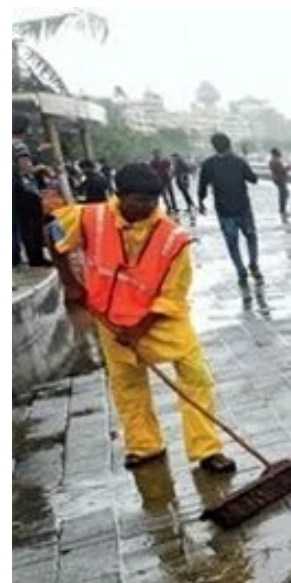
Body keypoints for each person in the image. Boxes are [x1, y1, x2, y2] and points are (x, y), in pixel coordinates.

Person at [49, 162, 235, 473]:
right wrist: (70, 283)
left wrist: (138, 329)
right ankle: (144, 446)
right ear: (118, 195)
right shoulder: (91, 217)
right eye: (138, 200)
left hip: (162, 321)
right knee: (128, 385)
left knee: (196, 378)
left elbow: (173, 295)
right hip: (111, 319)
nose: (146, 207)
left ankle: (208, 450)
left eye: (153, 200)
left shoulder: (173, 238)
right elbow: (52, 232)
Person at [197, 132, 264, 292]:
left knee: (232, 243)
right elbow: (253, 179)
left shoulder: (208, 164)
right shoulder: (239, 162)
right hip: (243, 208)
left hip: (224, 211)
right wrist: (246, 161)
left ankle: (241, 271)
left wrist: (201, 202)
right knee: (251, 237)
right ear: (230, 144)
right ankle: (253, 265)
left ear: (214, 147)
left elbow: (202, 187)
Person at [13, 114, 48, 267]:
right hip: (25, 190)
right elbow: (26, 169)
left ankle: (17, 259)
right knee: (33, 225)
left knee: (18, 225)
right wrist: (42, 168)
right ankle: (36, 258)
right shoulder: (19, 145)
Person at [267, 147, 291, 221]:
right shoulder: (275, 161)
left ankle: (282, 210)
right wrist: (288, 167)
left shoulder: (272, 160)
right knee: (284, 194)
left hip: (277, 179)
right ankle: (282, 211)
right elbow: (281, 170)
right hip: (280, 179)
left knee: (284, 194)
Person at [150, 149, 176, 213]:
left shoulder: (164, 160)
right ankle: (169, 206)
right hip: (161, 179)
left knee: (169, 193)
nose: (156, 155)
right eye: (155, 154)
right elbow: (152, 171)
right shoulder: (153, 162)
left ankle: (173, 206)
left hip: (165, 178)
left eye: (157, 153)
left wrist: (170, 174)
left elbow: (170, 168)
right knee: (165, 194)